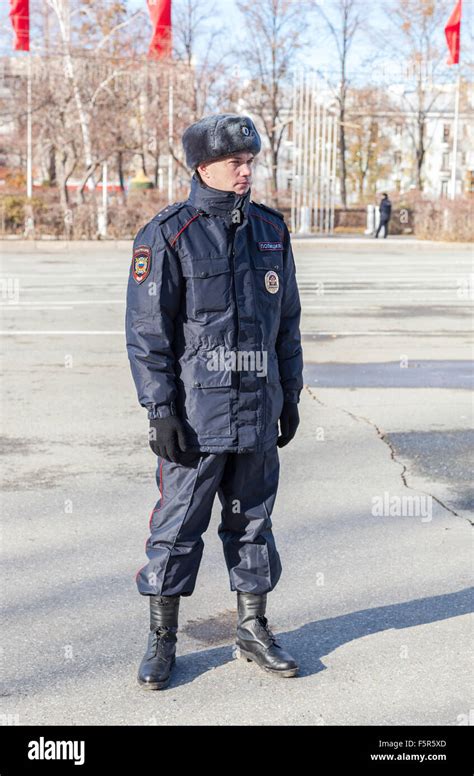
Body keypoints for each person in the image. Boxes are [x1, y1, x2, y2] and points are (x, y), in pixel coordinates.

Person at [125, 113, 304, 690]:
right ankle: (162, 638)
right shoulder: (168, 234)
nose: (247, 171)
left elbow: (288, 325)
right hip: (197, 419)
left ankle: (253, 628)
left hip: (257, 408)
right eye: (237, 163)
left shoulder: (271, 232)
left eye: (251, 162)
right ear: (203, 167)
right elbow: (148, 332)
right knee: (178, 528)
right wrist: (160, 410)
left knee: (252, 521)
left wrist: (291, 395)